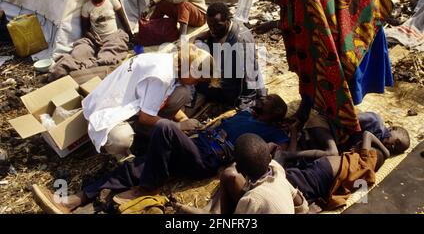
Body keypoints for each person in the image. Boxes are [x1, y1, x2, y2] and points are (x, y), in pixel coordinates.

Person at [31, 94, 291, 214]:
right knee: (137, 164)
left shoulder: (273, 132)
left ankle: (148, 188)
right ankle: (77, 199)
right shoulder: (244, 113)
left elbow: (285, 151)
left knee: (165, 127)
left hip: (206, 160)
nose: (254, 111)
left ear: (273, 118)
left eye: (261, 111)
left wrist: (296, 127)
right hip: (194, 144)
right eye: (256, 106)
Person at [245, 0, 394, 138]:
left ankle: (341, 122)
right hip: (335, 5)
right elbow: (292, 1)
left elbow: (310, 23)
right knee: (311, 57)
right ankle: (315, 109)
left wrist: (274, 24)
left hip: (355, 2)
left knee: (334, 57)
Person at [82, 44, 214, 160]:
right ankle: (120, 152)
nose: (196, 84)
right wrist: (179, 127)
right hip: (107, 111)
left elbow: (162, 98)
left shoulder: (172, 62)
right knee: (121, 139)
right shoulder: (162, 76)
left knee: (183, 92)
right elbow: (146, 117)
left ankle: (146, 131)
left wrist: (185, 120)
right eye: (197, 79)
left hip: (131, 104)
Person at [173, 133, 309, 214]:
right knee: (227, 175)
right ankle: (211, 210)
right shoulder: (276, 170)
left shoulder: (252, 200)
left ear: (240, 169)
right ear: (269, 158)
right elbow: (301, 204)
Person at [49, 0, 134, 82]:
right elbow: (85, 30)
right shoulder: (86, 6)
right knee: (78, 53)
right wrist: (94, 40)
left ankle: (91, 69)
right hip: (94, 39)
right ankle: (73, 68)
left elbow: (123, 19)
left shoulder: (112, 0)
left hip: (112, 37)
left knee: (107, 56)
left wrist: (130, 35)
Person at [279, 130, 389, 211]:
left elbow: (367, 134)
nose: (356, 147)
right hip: (322, 177)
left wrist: (386, 152)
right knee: (301, 190)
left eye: (360, 146)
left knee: (291, 182)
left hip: (322, 173)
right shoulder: (360, 171)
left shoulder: (368, 163)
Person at [194, 3, 265, 109]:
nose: (213, 29)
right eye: (210, 25)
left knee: (195, 83)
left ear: (228, 20)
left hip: (232, 90)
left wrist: (246, 100)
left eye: (217, 25)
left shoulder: (241, 42)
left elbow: (248, 75)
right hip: (226, 73)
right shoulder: (223, 28)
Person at [283, 111, 410, 161]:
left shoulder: (375, 144)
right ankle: (288, 155)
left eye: (396, 148)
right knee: (332, 153)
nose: (393, 146)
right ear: (392, 128)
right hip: (323, 124)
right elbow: (346, 118)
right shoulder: (375, 121)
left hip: (331, 136)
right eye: (397, 142)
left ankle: (293, 139)